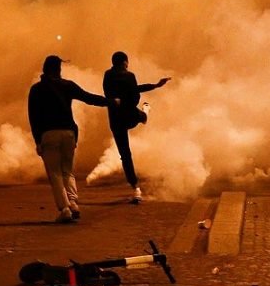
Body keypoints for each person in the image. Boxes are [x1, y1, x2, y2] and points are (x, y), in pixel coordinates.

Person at [28, 55, 108, 223]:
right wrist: (111, 102)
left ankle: (64, 209)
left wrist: (38, 141)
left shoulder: (36, 90)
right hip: (69, 133)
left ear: (44, 69)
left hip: (49, 134)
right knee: (67, 171)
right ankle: (73, 202)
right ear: (59, 69)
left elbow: (33, 118)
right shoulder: (67, 86)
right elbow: (89, 98)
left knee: (55, 174)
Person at [103, 51, 170, 204]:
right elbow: (135, 94)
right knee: (142, 117)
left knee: (125, 155)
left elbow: (108, 93)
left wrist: (154, 86)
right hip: (130, 115)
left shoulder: (107, 75)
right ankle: (145, 111)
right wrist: (156, 85)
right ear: (125, 62)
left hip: (115, 119)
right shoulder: (129, 75)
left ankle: (135, 187)